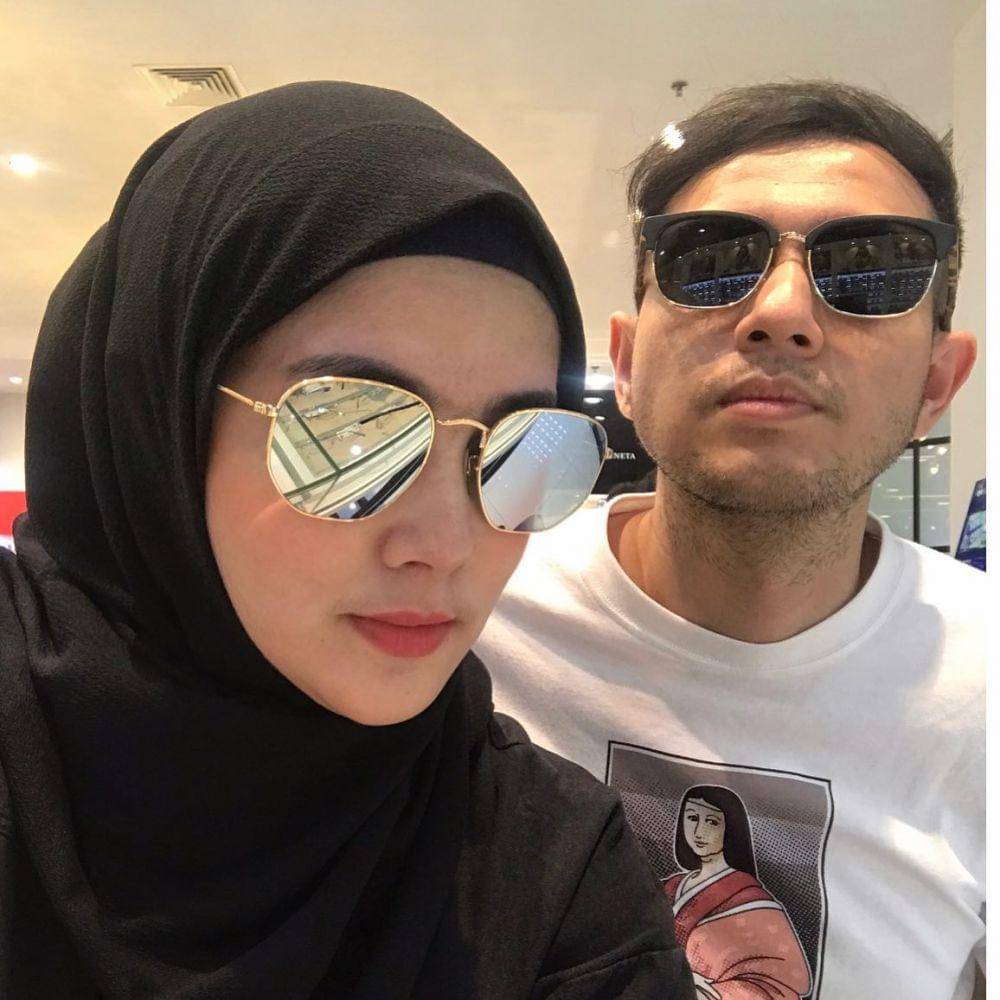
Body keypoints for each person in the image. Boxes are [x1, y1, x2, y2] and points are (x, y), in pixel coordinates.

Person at [0, 82, 694, 999]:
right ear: (155, 425)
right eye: (350, 433)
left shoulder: (554, 875)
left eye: (522, 451)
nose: (445, 543)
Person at [476, 80, 985, 997]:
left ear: (936, 387)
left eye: (868, 269)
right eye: (711, 260)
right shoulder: (468, 608)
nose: (781, 311)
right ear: (626, 364)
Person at [664, 786, 810, 1000]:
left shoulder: (751, 901)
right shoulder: (669, 887)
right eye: (692, 818)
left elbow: (779, 979)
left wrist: (705, 991)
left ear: (731, 828)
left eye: (712, 822)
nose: (698, 831)